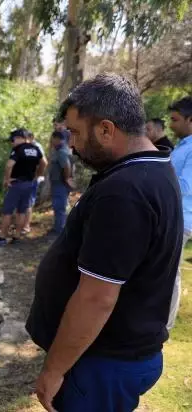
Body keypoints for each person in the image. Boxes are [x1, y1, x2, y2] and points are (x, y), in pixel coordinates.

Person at [26, 74, 182, 412]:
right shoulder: (152, 168)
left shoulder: (125, 191)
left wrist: (54, 370)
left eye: (77, 133)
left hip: (103, 363)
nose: (74, 144)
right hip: (118, 354)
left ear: (106, 129)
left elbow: (97, 298)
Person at [0, 128, 47, 246]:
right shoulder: (35, 148)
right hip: (29, 184)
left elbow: (9, 165)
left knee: (7, 211)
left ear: (19, 138)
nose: (12, 142)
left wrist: (7, 179)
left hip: (17, 184)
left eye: (13, 139)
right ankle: (17, 237)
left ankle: (2, 237)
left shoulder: (18, 149)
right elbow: (44, 163)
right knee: (22, 211)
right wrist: (38, 175)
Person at [167, 96, 192, 330]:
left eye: (175, 120)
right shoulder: (184, 145)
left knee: (170, 273)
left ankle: (165, 326)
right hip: (171, 216)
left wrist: (159, 178)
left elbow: (186, 186)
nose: (171, 125)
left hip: (181, 219)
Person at [47, 129, 73, 235]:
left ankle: (59, 230)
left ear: (57, 139)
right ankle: (58, 227)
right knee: (59, 205)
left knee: (59, 206)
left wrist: (67, 179)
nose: (52, 141)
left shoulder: (61, 151)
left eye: (53, 139)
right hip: (59, 183)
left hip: (60, 183)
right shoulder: (62, 149)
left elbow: (66, 166)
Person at [23, 131, 47, 234]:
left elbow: (43, 162)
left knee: (28, 202)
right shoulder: (26, 147)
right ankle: (22, 224)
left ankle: (26, 226)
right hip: (24, 178)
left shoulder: (37, 147)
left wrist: (38, 175)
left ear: (31, 137)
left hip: (32, 179)